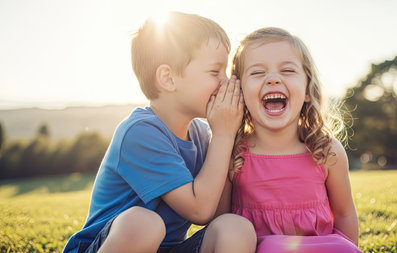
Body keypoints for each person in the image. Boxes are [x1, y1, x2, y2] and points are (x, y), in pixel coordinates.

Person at [63, 12, 256, 253]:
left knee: (234, 227)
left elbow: (217, 214)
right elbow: (199, 209)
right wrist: (224, 136)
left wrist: (228, 139)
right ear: (168, 78)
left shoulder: (203, 134)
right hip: (110, 244)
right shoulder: (140, 132)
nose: (226, 82)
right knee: (145, 224)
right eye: (215, 72)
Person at [216, 27, 362, 253]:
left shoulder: (326, 151)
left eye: (287, 70)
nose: (273, 79)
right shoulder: (232, 152)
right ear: (240, 91)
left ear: (306, 90)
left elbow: (344, 213)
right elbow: (222, 224)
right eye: (257, 73)